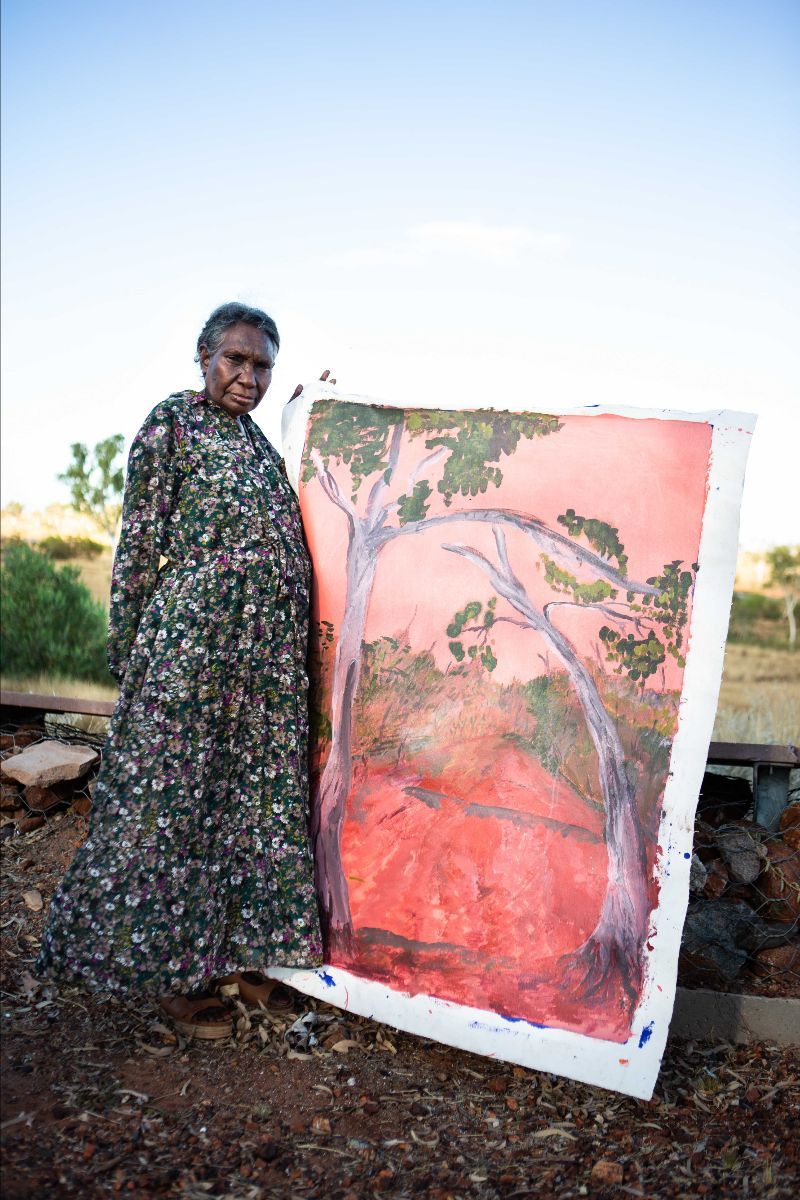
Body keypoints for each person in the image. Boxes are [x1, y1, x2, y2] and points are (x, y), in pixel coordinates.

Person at [37, 302, 324, 1037]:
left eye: (262, 365)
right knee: (180, 808)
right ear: (204, 359)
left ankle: (256, 963)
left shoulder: (258, 446)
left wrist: (317, 414)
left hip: (262, 667)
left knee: (257, 807)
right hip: (193, 653)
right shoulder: (174, 424)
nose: (248, 376)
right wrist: (132, 658)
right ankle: (178, 975)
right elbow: (139, 546)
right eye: (235, 359)